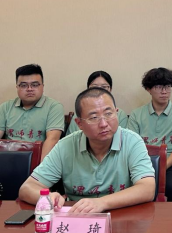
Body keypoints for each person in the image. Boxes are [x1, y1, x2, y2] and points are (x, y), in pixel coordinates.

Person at [19, 88, 156, 213]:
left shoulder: (132, 142)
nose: (103, 124)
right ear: (79, 124)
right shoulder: (66, 146)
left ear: (117, 113)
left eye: (109, 114)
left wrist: (101, 203)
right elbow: (27, 188)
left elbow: (147, 188)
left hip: (122, 216)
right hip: (78, 217)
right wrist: (48, 197)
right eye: (94, 118)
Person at [128, 68, 172, 202]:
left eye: (168, 86)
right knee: (130, 187)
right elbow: (131, 146)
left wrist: (161, 167)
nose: (164, 91)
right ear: (148, 89)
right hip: (142, 164)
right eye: (158, 87)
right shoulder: (136, 115)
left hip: (171, 164)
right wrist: (148, 167)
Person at [0, 64, 64, 160]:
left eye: (34, 85)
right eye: (24, 85)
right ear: (17, 87)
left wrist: (40, 167)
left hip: (39, 159)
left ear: (43, 86)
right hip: (7, 159)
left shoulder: (54, 107)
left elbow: (52, 139)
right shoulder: (5, 107)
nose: (29, 89)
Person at [67, 71, 128, 135]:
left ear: (110, 89)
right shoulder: (80, 114)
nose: (99, 91)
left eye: (104, 87)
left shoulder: (120, 114)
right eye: (94, 117)